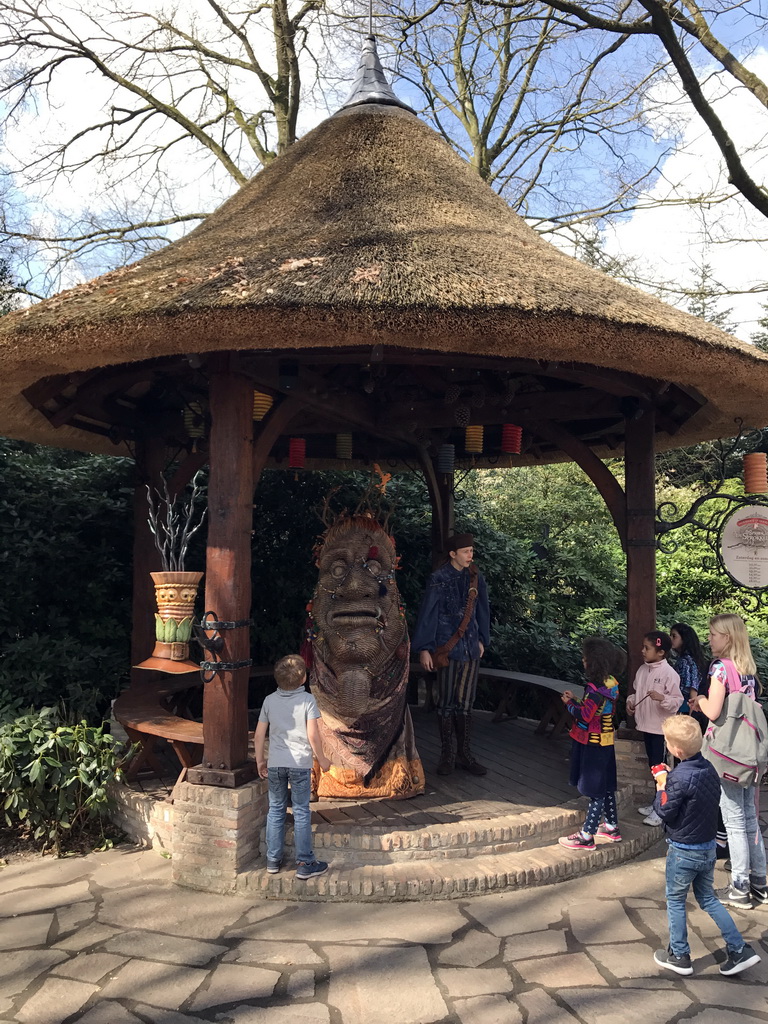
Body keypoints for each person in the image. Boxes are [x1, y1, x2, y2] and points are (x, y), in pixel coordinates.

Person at [652, 714, 761, 977]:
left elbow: (665, 811)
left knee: (676, 900)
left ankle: (679, 955)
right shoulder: (709, 769)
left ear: (676, 750)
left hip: (683, 851)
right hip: (707, 848)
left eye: (667, 742)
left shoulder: (678, 777)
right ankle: (739, 949)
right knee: (708, 899)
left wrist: (661, 786)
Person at [690, 613, 768, 909]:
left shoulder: (720, 669)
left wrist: (699, 701)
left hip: (728, 756)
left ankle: (739, 887)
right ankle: (759, 882)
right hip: (749, 753)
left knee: (734, 821)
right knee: (750, 819)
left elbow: (713, 712)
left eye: (713, 634)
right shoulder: (747, 669)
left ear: (728, 637)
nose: (709, 639)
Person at [412, 532, 490, 776]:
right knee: (446, 704)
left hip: (470, 650)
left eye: (471, 551)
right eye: (466, 551)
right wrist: (424, 648)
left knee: (465, 705)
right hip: (446, 649)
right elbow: (429, 614)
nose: (471, 555)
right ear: (453, 554)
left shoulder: (476, 578)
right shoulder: (438, 578)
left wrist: (481, 639)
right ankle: (447, 755)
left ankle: (464, 755)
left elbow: (483, 610)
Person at [254, 653, 331, 880]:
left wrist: (260, 760)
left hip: (276, 764)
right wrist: (323, 759)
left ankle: (273, 859)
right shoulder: (307, 700)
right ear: (303, 679)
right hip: (299, 765)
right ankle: (306, 862)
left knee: (276, 810)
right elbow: (312, 735)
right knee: (301, 812)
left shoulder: (269, 700)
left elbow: (259, 735)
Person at [557, 637, 624, 851]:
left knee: (595, 790)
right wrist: (578, 699)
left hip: (592, 743)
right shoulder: (611, 683)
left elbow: (584, 716)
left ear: (594, 661)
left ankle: (587, 835)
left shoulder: (595, 690)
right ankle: (612, 826)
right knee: (606, 786)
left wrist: (569, 704)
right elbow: (594, 710)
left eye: (586, 657)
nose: (583, 660)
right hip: (605, 740)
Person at [627, 630, 683, 826]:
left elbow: (677, 701)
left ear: (661, 652)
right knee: (654, 767)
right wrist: (631, 702)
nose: (643, 651)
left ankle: (662, 810)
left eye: (647, 648)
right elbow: (635, 693)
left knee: (661, 769)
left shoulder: (670, 674)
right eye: (643, 647)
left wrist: (663, 699)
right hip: (646, 727)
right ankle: (656, 802)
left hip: (661, 730)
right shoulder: (642, 670)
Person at [669, 622, 708, 723]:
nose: (671, 639)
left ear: (684, 638)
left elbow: (693, 687)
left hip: (684, 707)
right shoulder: (686, 659)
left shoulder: (687, 661)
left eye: (674, 636)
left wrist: (691, 715)